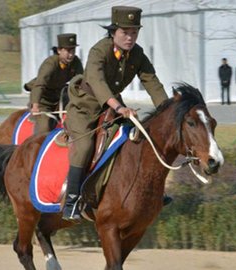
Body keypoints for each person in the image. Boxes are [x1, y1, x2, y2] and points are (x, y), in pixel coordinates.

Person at [62, 6, 170, 221]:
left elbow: (152, 82)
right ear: (113, 32)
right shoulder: (98, 51)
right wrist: (119, 108)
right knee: (84, 146)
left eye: (134, 33)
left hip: (112, 107)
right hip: (85, 107)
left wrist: (168, 111)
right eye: (125, 32)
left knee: (136, 139)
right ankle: (71, 201)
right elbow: (98, 83)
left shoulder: (137, 54)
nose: (130, 38)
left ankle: (149, 191)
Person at [29, 33, 83, 134]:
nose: (71, 54)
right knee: (44, 127)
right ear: (59, 50)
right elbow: (40, 84)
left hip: (60, 99)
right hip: (43, 101)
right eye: (68, 51)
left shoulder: (76, 62)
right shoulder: (50, 64)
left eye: (73, 51)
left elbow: (82, 83)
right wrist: (35, 105)